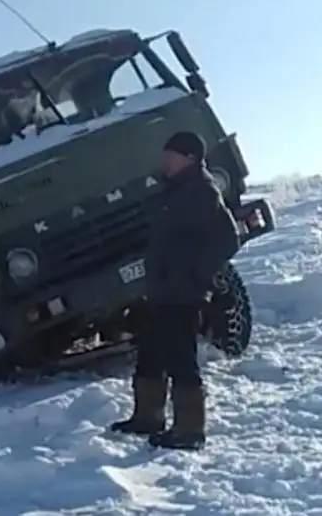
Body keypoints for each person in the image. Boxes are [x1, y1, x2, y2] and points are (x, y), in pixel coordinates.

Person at [110, 130, 241, 451]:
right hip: (163, 290)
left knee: (181, 358)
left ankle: (189, 430)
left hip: (183, 293)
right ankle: (148, 418)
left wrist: (195, 274)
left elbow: (228, 238)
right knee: (152, 352)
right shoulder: (176, 190)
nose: (165, 161)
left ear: (190, 158)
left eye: (171, 156)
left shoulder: (202, 190)